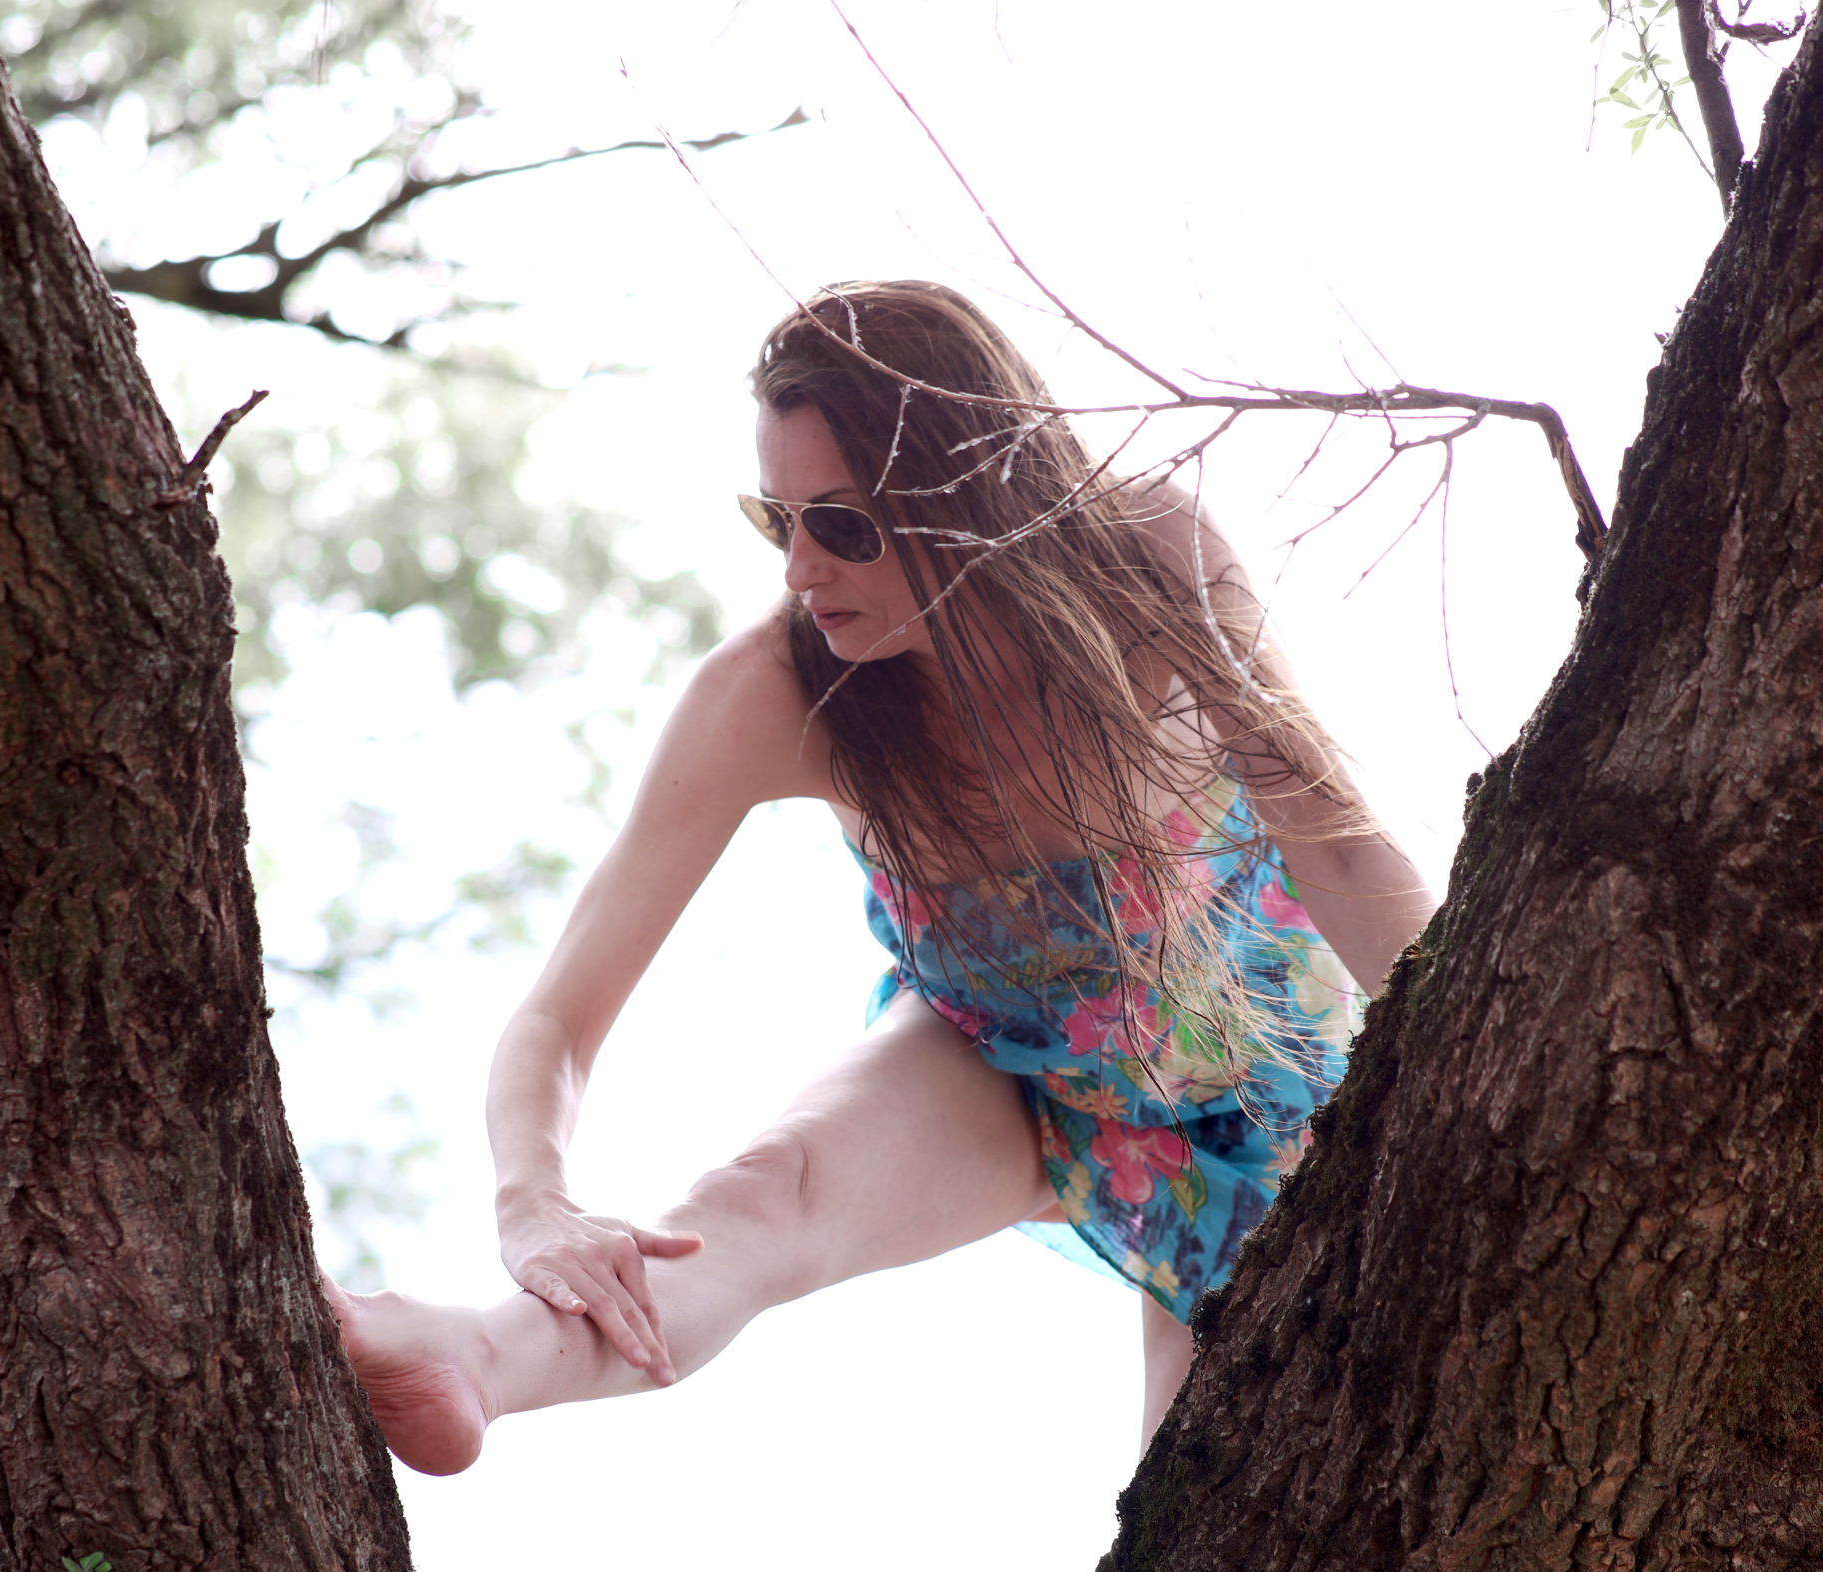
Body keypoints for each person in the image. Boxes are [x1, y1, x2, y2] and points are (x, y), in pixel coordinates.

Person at [332, 280, 1432, 1475]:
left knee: (1201, 1497)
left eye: (843, 526)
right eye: (779, 523)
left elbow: (1336, 842)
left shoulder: (1150, 557)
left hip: (1285, 1078)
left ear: (971, 493)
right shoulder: (773, 692)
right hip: (1012, 1073)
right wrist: (534, 1206)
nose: (802, 569)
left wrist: (1460, 1042)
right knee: (767, 1192)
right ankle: (473, 1358)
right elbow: (558, 1015)